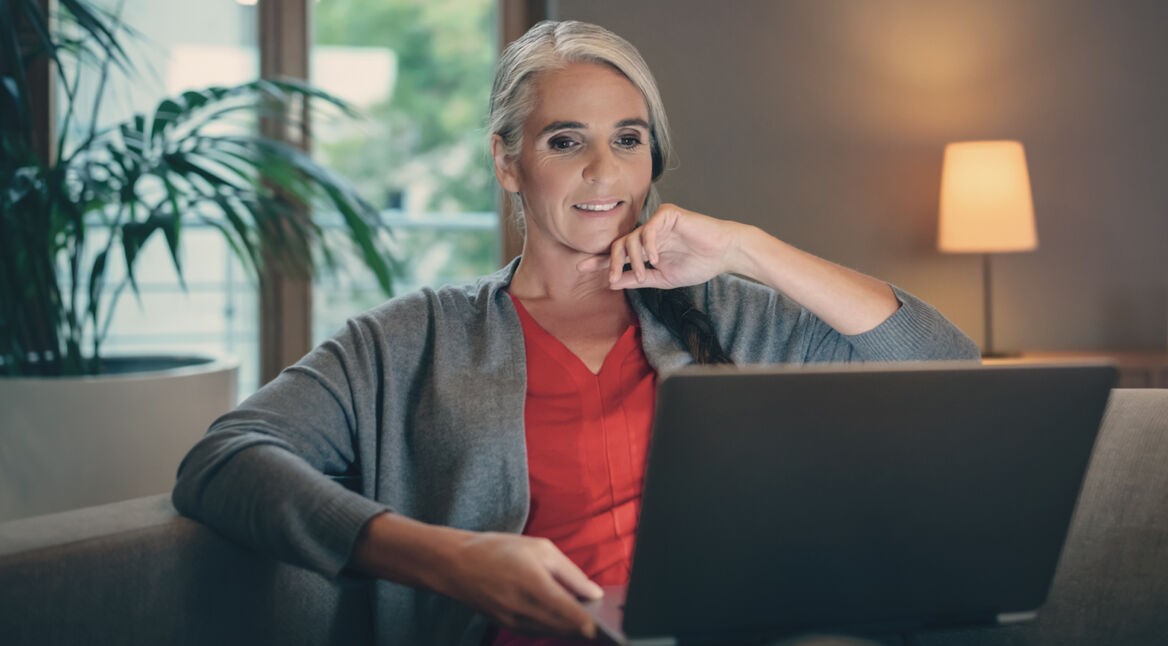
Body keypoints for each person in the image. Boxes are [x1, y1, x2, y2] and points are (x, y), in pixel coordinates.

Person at [173, 19, 979, 646]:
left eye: (628, 140)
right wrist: (451, 559)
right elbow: (224, 461)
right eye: (567, 141)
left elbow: (947, 366)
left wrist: (748, 249)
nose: (604, 171)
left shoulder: (734, 315)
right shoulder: (410, 340)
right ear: (507, 162)